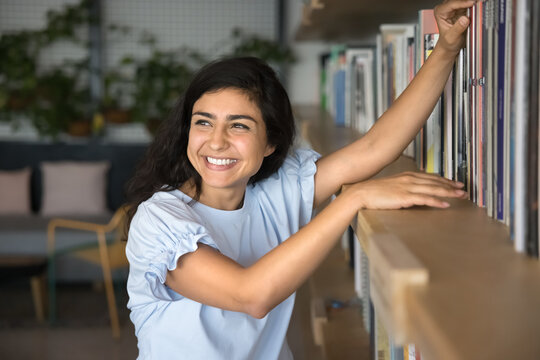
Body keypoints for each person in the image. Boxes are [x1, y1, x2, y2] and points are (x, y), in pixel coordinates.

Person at [124, 1, 474, 358]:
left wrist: (446, 47)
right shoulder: (160, 222)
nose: (216, 141)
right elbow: (251, 295)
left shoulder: (276, 190)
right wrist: (354, 199)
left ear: (270, 142)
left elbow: (374, 148)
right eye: (203, 122)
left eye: (239, 125)